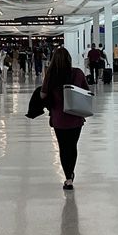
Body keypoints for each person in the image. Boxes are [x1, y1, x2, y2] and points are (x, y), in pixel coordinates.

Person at [29, 46, 90, 191]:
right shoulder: (77, 73)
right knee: (72, 146)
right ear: (69, 59)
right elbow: (87, 91)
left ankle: (68, 177)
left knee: (63, 147)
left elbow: (43, 95)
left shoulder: (51, 75)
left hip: (59, 118)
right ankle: (71, 172)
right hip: (76, 117)